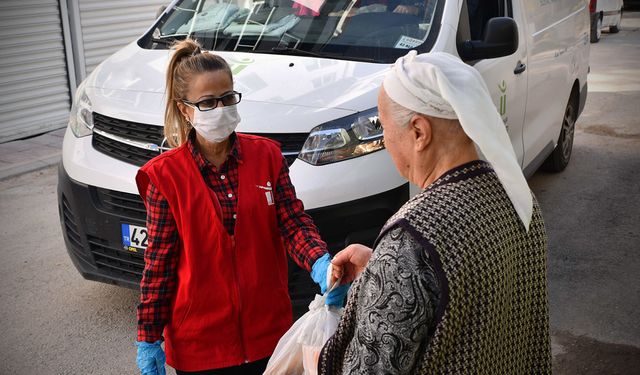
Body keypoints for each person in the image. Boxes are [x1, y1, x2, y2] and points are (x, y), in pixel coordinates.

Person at [318, 51, 552, 374]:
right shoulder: (516, 196)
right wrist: (380, 270)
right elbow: (470, 293)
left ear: (419, 132)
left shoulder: (411, 238)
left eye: (382, 126)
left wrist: (391, 269)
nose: (384, 141)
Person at [134, 38, 348, 375]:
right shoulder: (165, 177)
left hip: (270, 336)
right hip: (201, 347)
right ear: (184, 109)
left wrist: (320, 263)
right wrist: (149, 337)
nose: (220, 109)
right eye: (208, 103)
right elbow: (158, 266)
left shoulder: (267, 156)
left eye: (227, 98)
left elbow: (292, 224)